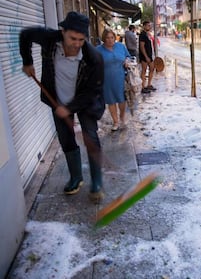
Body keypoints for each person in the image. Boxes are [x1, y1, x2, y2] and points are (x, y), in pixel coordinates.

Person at [19, 11, 105, 203]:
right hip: (57, 99)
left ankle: (97, 183)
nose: (76, 43)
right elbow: (25, 35)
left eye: (81, 40)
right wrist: (27, 62)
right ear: (63, 31)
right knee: (65, 138)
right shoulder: (49, 40)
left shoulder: (94, 58)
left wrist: (71, 107)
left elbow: (92, 91)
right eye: (73, 38)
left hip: (84, 102)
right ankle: (76, 177)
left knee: (90, 136)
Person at [96, 28, 131, 131]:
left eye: (112, 37)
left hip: (120, 77)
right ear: (104, 39)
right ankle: (115, 121)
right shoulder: (98, 50)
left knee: (122, 99)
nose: (110, 40)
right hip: (106, 79)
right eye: (107, 38)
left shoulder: (121, 46)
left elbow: (129, 57)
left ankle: (122, 117)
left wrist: (127, 61)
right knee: (111, 101)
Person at [139, 20, 156, 94]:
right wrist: (145, 56)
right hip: (145, 56)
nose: (149, 27)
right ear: (144, 26)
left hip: (150, 55)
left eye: (150, 25)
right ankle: (143, 86)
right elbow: (142, 47)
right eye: (148, 25)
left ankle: (149, 84)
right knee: (144, 70)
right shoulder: (142, 34)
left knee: (152, 68)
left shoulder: (148, 34)